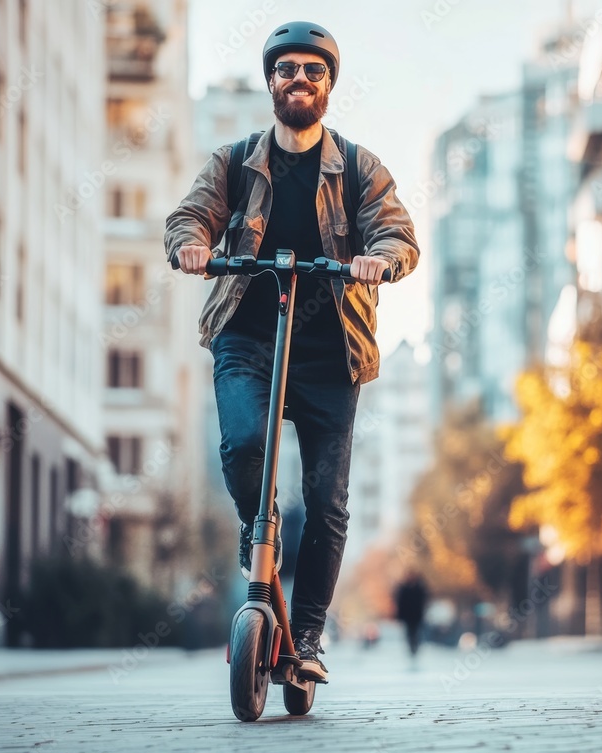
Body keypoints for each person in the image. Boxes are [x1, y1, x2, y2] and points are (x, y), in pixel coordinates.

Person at [164, 21, 418, 683]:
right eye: (286, 70)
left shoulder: (360, 166)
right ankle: (263, 533)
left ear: (329, 84)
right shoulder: (235, 160)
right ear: (271, 82)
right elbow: (191, 214)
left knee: (328, 501)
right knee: (245, 445)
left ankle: (305, 636)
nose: (298, 80)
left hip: (331, 350)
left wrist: (380, 261)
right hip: (247, 333)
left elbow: (395, 232)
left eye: (312, 70)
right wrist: (193, 243)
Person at [394, 570, 429, 659]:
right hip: (408, 616)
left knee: (417, 633)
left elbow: (425, 601)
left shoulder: (420, 588)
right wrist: (399, 616)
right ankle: (412, 648)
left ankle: (415, 647)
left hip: (417, 616)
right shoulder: (404, 588)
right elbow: (400, 603)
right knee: (409, 633)